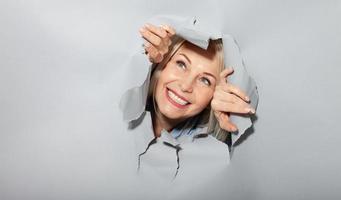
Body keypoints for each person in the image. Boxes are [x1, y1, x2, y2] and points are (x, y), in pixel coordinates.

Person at [119, 16, 258, 181]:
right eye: (181, 64)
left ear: (213, 95)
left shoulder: (206, 151)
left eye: (205, 80)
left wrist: (231, 126)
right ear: (162, 64)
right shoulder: (121, 108)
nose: (186, 85)